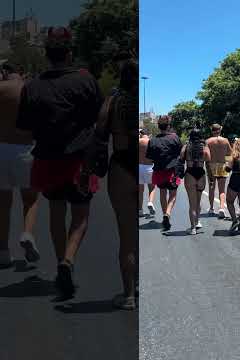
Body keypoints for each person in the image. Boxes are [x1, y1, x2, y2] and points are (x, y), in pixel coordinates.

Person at [16, 27, 104, 298]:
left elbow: (25, 126)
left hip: (47, 159)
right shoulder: (85, 80)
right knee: (80, 215)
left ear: (46, 54)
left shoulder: (33, 86)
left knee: (56, 212)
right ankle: (68, 259)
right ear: (69, 52)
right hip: (79, 161)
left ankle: (59, 265)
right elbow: (98, 119)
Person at [82, 59, 139, 310]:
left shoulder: (115, 101)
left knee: (126, 236)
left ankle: (129, 295)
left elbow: (99, 134)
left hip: (122, 167)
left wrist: (88, 169)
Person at [0, 65, 40, 267]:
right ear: (22, 73)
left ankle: (4, 252)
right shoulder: (31, 90)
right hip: (25, 149)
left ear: (6, 73)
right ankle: (27, 233)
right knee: (30, 200)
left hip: (1, 148)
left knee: (3, 205)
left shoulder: (2, 88)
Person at [146, 115, 182, 231]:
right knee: (173, 195)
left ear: (158, 126)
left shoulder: (153, 141)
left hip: (159, 171)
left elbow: (150, 159)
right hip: (172, 172)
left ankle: (164, 215)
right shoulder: (175, 138)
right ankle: (168, 213)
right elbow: (180, 154)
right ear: (169, 126)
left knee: (162, 193)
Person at [179, 128, 211, 235]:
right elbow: (208, 159)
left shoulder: (186, 146)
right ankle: (197, 222)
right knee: (198, 201)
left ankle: (193, 228)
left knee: (192, 203)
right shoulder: (204, 147)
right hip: (201, 174)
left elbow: (181, 158)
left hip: (190, 174)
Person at [206, 124, 232, 219]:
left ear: (212, 131)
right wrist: (229, 165)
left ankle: (211, 208)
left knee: (211, 188)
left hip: (211, 166)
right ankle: (221, 208)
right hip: (222, 166)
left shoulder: (208, 141)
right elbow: (229, 154)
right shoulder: (225, 141)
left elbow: (206, 155)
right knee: (222, 190)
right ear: (220, 130)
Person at [139, 128, 156, 217]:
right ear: (148, 134)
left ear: (141, 134)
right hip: (150, 167)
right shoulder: (152, 142)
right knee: (152, 188)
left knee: (140, 190)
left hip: (139, 167)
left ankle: (140, 210)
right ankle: (150, 202)